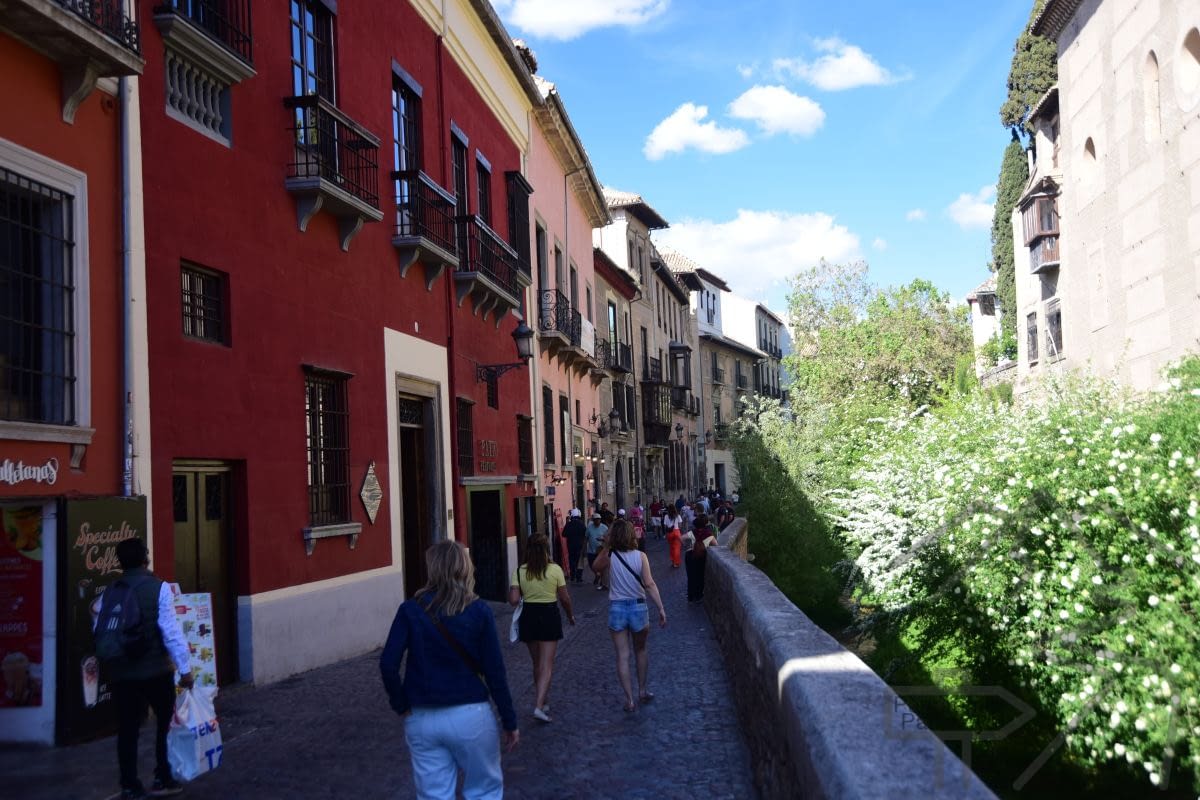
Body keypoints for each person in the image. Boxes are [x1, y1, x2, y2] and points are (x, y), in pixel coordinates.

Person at [381, 540, 519, 800]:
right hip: (470, 714)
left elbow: (388, 664)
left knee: (434, 795)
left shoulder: (410, 610)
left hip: (421, 716)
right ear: (464, 569)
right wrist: (509, 720)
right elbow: (495, 673)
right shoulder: (479, 611)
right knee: (485, 791)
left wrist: (401, 705)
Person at [97, 537, 193, 800]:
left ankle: (129, 784)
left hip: (121, 672)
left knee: (127, 729)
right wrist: (185, 669)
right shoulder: (158, 588)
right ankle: (163, 776)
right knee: (165, 723)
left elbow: (101, 629)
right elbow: (171, 632)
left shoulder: (111, 589)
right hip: (155, 671)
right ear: (145, 558)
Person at [591, 521, 667, 712]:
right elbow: (649, 584)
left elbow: (595, 567)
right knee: (640, 650)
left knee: (622, 656)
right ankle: (642, 690)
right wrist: (660, 608)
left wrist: (607, 545)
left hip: (617, 608)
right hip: (638, 608)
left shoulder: (610, 555)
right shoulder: (641, 557)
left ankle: (629, 699)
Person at [509, 534, 575, 722]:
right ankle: (539, 706)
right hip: (548, 615)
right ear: (547, 549)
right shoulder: (555, 569)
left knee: (536, 663)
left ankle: (544, 700)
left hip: (528, 616)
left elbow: (513, 600)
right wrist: (570, 616)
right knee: (547, 664)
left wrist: (516, 591)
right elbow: (564, 598)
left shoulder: (520, 571)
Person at [686, 514, 719, 603]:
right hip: (701, 557)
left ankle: (691, 596)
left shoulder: (693, 532)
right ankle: (698, 596)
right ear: (705, 523)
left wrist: (688, 547)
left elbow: (681, 538)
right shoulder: (708, 534)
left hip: (691, 556)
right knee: (700, 577)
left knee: (691, 576)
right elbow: (716, 545)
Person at [561, 508, 587, 583]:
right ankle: (579, 577)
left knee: (572, 560)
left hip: (571, 545)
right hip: (580, 546)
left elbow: (563, 534)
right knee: (579, 561)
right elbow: (585, 534)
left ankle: (572, 576)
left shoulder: (569, 524)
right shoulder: (582, 524)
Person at [585, 513, 609, 590]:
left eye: (598, 520)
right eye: (595, 520)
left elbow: (608, 539)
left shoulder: (604, 528)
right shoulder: (589, 527)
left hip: (601, 551)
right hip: (591, 550)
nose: (597, 521)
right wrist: (584, 549)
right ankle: (597, 574)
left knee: (602, 567)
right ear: (593, 520)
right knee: (592, 565)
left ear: (600, 520)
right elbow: (586, 538)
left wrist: (602, 539)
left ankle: (602, 582)